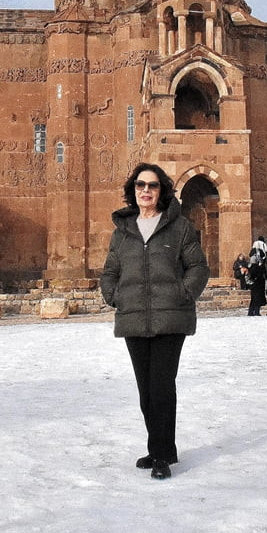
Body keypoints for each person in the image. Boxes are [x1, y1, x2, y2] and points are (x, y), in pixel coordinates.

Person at [100, 162, 209, 480]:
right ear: (132, 191)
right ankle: (161, 447)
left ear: (162, 190)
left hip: (170, 317)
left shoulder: (179, 227)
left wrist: (182, 293)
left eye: (152, 185)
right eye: (140, 186)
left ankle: (161, 455)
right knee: (145, 390)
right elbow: (109, 271)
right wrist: (114, 295)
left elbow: (198, 267)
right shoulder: (122, 232)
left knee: (161, 387)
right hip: (133, 317)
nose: (145, 191)